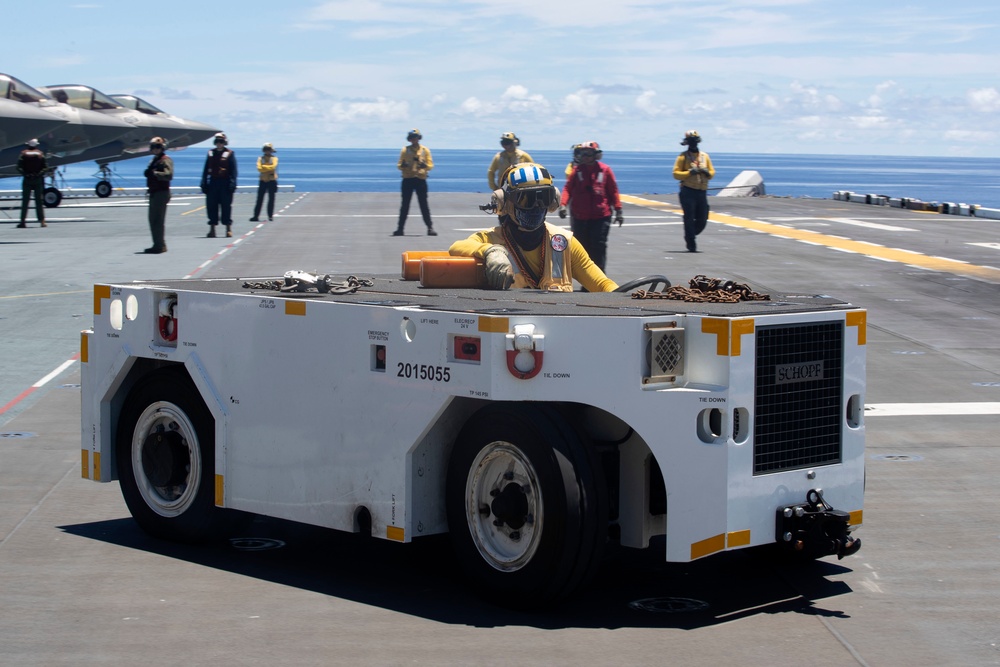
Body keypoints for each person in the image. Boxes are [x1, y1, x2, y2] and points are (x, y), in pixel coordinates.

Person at [450, 162, 618, 292]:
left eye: (543, 198)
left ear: (552, 201)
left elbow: (602, 284)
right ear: (505, 203)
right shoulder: (491, 239)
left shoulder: (564, 243)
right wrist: (491, 251)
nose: (536, 206)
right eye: (526, 199)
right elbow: (456, 247)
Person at [557, 141, 623, 272]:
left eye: (589, 154)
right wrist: (563, 205)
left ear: (596, 155)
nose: (586, 157)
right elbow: (567, 189)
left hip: (601, 217)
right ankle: (586, 279)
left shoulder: (605, 170)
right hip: (580, 217)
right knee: (582, 248)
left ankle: (599, 278)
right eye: (583, 154)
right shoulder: (577, 171)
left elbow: (613, 191)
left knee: (598, 246)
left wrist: (618, 210)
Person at [672, 130, 715, 252]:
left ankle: (691, 233)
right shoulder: (682, 157)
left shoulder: (704, 156)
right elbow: (676, 174)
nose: (693, 143)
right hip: (688, 191)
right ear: (687, 143)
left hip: (701, 192)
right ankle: (691, 241)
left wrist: (707, 172)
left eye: (695, 141)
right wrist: (689, 172)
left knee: (703, 217)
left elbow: (712, 173)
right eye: (691, 141)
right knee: (689, 216)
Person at [394, 129, 436, 236]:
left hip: (420, 179)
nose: (414, 139)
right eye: (412, 137)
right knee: (405, 205)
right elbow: (399, 165)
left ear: (419, 138)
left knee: (424, 205)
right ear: (409, 139)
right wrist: (403, 166)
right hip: (407, 179)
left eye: (416, 137)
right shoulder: (405, 150)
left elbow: (431, 165)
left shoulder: (425, 150)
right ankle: (400, 229)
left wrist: (424, 166)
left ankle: (430, 228)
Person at [200, 132, 238, 238]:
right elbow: (206, 169)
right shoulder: (210, 153)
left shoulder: (230, 154)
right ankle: (212, 229)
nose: (219, 143)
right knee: (211, 206)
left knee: (226, 206)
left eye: (221, 141)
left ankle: (228, 229)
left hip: (225, 183)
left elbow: (233, 170)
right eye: (217, 141)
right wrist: (203, 182)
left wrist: (233, 183)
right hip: (213, 183)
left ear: (224, 142)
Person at [142, 136, 173, 254]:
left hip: (161, 193)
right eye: (153, 147)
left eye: (157, 147)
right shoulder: (154, 160)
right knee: (153, 220)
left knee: (158, 220)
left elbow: (169, 175)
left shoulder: (165, 160)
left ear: (162, 148)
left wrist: (155, 173)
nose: (155, 149)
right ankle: (159, 244)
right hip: (155, 192)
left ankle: (159, 245)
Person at [16, 139, 47, 228]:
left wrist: (26, 174)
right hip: (37, 180)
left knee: (25, 201)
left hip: (27, 180)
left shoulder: (23, 153)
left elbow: (18, 167)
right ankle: (42, 221)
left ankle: (23, 222)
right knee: (39, 202)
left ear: (28, 144)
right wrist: (38, 174)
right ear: (36, 145)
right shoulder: (40, 154)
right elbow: (45, 167)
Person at [250, 143, 278, 222]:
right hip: (262, 181)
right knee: (259, 199)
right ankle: (256, 216)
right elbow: (259, 168)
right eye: (266, 149)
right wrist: (268, 167)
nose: (267, 151)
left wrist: (264, 167)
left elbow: (273, 167)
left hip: (272, 181)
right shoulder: (260, 158)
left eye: (269, 149)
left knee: (271, 199)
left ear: (271, 151)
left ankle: (270, 216)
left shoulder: (274, 158)